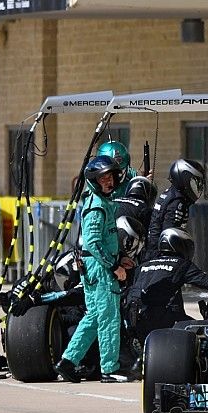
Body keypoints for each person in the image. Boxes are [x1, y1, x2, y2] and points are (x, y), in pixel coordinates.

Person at [54, 155, 136, 384]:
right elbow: (92, 242)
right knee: (109, 317)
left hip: (96, 266)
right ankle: (109, 369)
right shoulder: (97, 206)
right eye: (103, 178)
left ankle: (68, 362)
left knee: (93, 317)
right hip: (100, 269)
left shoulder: (101, 201)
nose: (109, 181)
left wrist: (120, 257)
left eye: (110, 177)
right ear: (94, 180)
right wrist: (114, 266)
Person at [128, 228, 208, 344]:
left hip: (134, 323)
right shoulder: (181, 264)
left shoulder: (143, 266)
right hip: (163, 323)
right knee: (204, 336)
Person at [144, 159, 205, 259]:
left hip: (153, 252)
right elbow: (169, 236)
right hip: (160, 255)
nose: (198, 188)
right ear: (184, 179)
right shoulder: (177, 202)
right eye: (194, 182)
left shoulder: (170, 194)